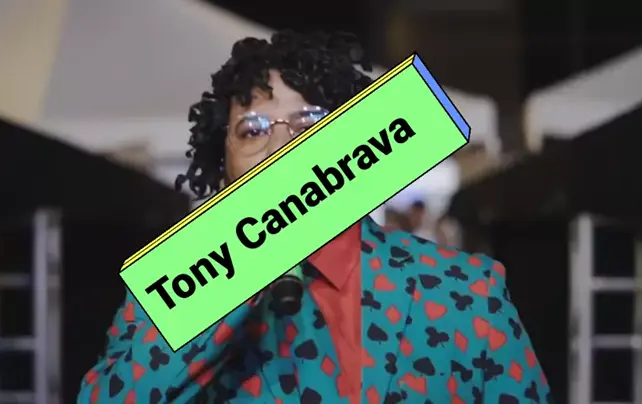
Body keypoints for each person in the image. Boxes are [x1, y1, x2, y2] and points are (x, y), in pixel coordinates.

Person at [78, 31, 551, 404]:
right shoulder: (169, 295)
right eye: (252, 129)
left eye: (309, 123)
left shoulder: (467, 291)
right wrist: (235, 275)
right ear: (223, 170)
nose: (282, 145)